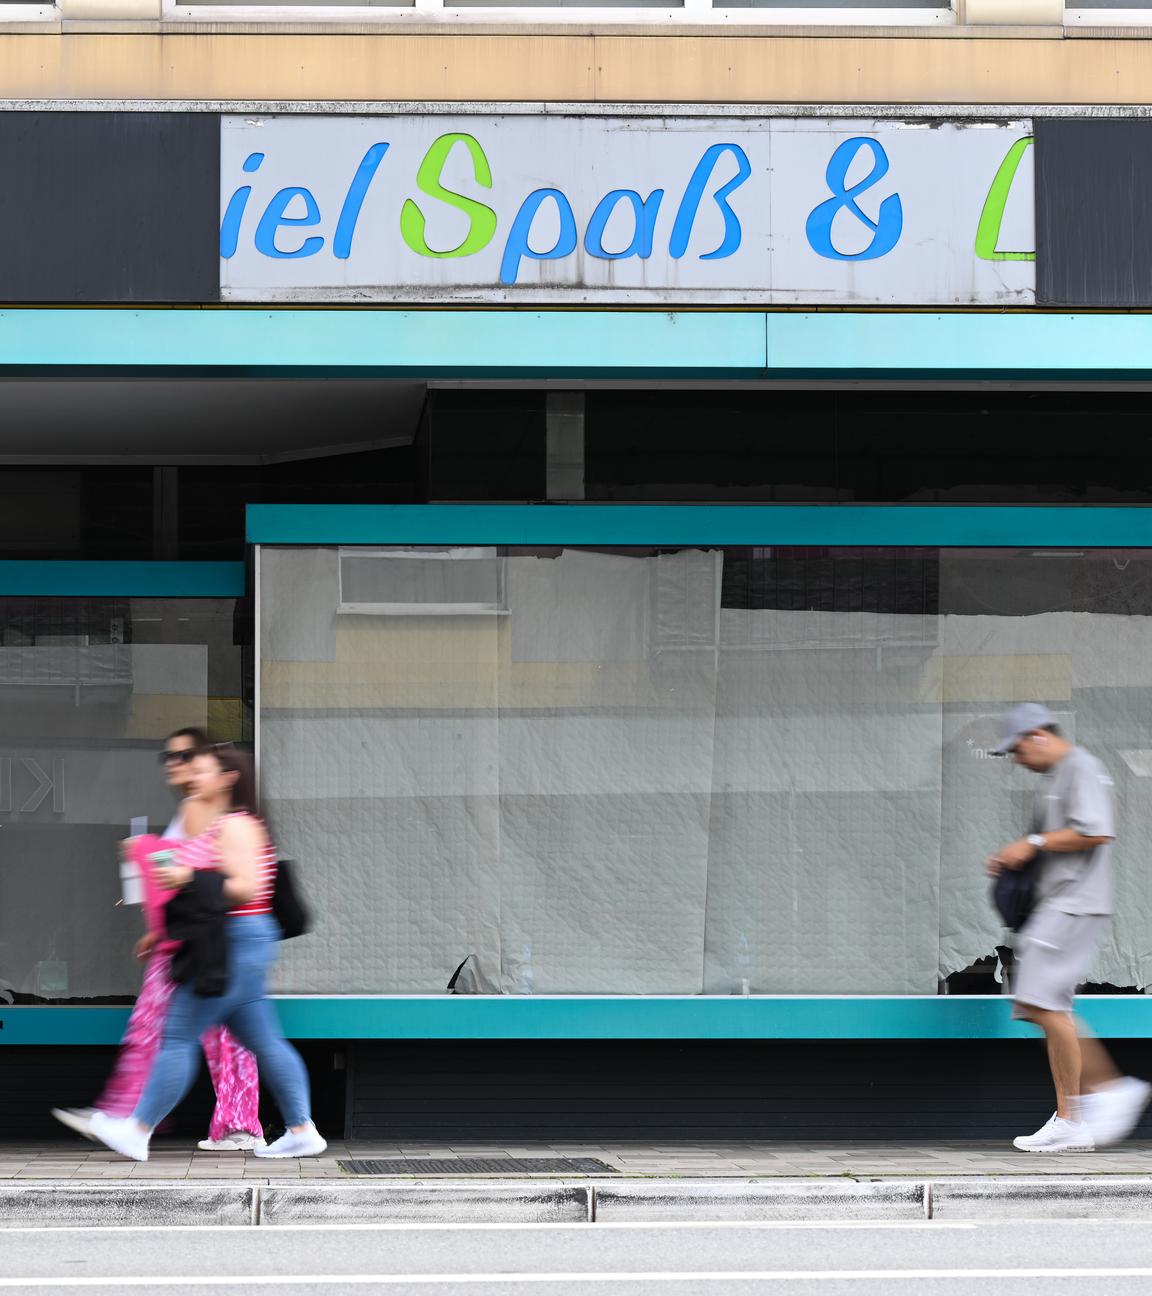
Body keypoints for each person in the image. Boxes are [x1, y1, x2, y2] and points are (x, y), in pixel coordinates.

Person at [87, 744, 327, 1162]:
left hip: (232, 942)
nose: (194, 777)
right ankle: (302, 1129)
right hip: (242, 942)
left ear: (228, 778)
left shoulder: (235, 826)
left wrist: (186, 874)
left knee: (178, 1036)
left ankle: (136, 1128)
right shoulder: (229, 825)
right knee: (266, 1041)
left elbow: (248, 887)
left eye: (203, 770)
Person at [52, 727, 265, 1153]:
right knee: (174, 1030)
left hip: (214, 940)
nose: (175, 764)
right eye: (169, 756)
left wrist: (147, 851)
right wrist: (157, 913)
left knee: (221, 1036)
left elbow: (217, 876)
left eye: (186, 756)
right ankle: (133, 1116)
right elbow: (178, 868)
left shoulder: (223, 814)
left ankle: (235, 1124)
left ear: (213, 766)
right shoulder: (192, 808)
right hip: (188, 937)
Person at [986, 702, 1150, 1153]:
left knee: (1040, 1003)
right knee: (1045, 1005)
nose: (1018, 761)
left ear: (1038, 735)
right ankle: (1077, 1112)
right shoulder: (1058, 777)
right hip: (1059, 906)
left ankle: (1102, 1096)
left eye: (1017, 750)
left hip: (1074, 905)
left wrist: (1031, 842)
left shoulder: (1081, 767)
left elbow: (1097, 831)